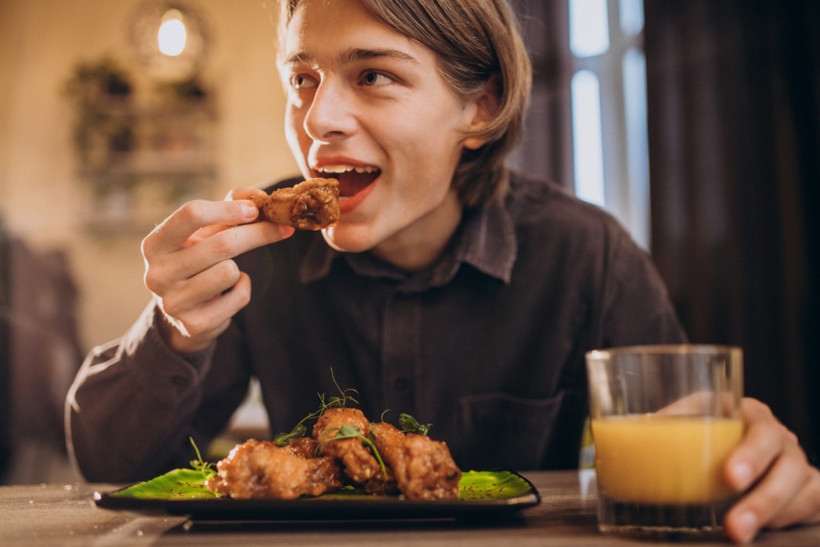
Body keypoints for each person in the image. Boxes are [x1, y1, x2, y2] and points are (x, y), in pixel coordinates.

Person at [65, 0, 819, 542]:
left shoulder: (587, 254)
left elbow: (692, 449)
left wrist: (746, 462)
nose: (317, 118)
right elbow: (114, 470)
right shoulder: (262, 255)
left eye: (373, 76)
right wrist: (174, 331)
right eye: (303, 77)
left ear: (481, 105)